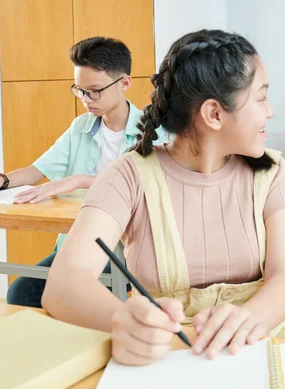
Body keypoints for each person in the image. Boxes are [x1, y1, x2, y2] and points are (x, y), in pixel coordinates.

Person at [43, 29, 285, 366]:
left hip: (260, 349)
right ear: (214, 114)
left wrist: (250, 317)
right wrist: (122, 320)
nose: (269, 111)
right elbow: (63, 285)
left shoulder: (273, 172)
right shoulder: (128, 176)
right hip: (164, 362)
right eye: (260, 98)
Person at [5, 37, 170, 307]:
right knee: (21, 294)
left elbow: (149, 190)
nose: (85, 100)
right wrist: (3, 180)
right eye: (79, 90)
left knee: (81, 298)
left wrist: (79, 180)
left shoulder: (155, 132)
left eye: (94, 90)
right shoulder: (81, 126)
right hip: (78, 243)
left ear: (124, 83)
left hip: (129, 250)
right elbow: (36, 171)